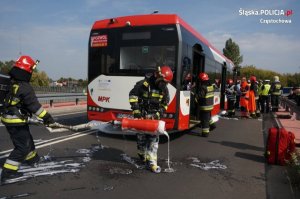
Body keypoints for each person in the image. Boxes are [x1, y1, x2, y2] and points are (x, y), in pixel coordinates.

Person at [0, 55, 55, 183]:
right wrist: (48, 118)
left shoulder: (10, 82)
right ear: (27, 71)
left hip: (9, 119)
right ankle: (8, 172)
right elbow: (35, 108)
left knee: (27, 140)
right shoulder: (25, 87)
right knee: (22, 147)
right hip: (16, 121)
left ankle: (33, 160)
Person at [129, 66, 173, 173]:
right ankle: (142, 154)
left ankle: (152, 162)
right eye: (163, 82)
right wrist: (136, 111)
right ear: (157, 75)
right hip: (141, 116)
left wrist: (159, 113)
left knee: (153, 140)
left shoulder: (164, 89)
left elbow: (165, 103)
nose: (164, 85)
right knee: (141, 139)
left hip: (154, 118)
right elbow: (132, 95)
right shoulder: (143, 84)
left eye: (166, 83)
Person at [196, 72, 215, 137]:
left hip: (205, 106)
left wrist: (195, 96)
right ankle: (212, 125)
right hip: (209, 105)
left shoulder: (203, 87)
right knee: (208, 117)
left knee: (204, 120)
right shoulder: (211, 86)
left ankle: (205, 133)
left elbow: (200, 96)